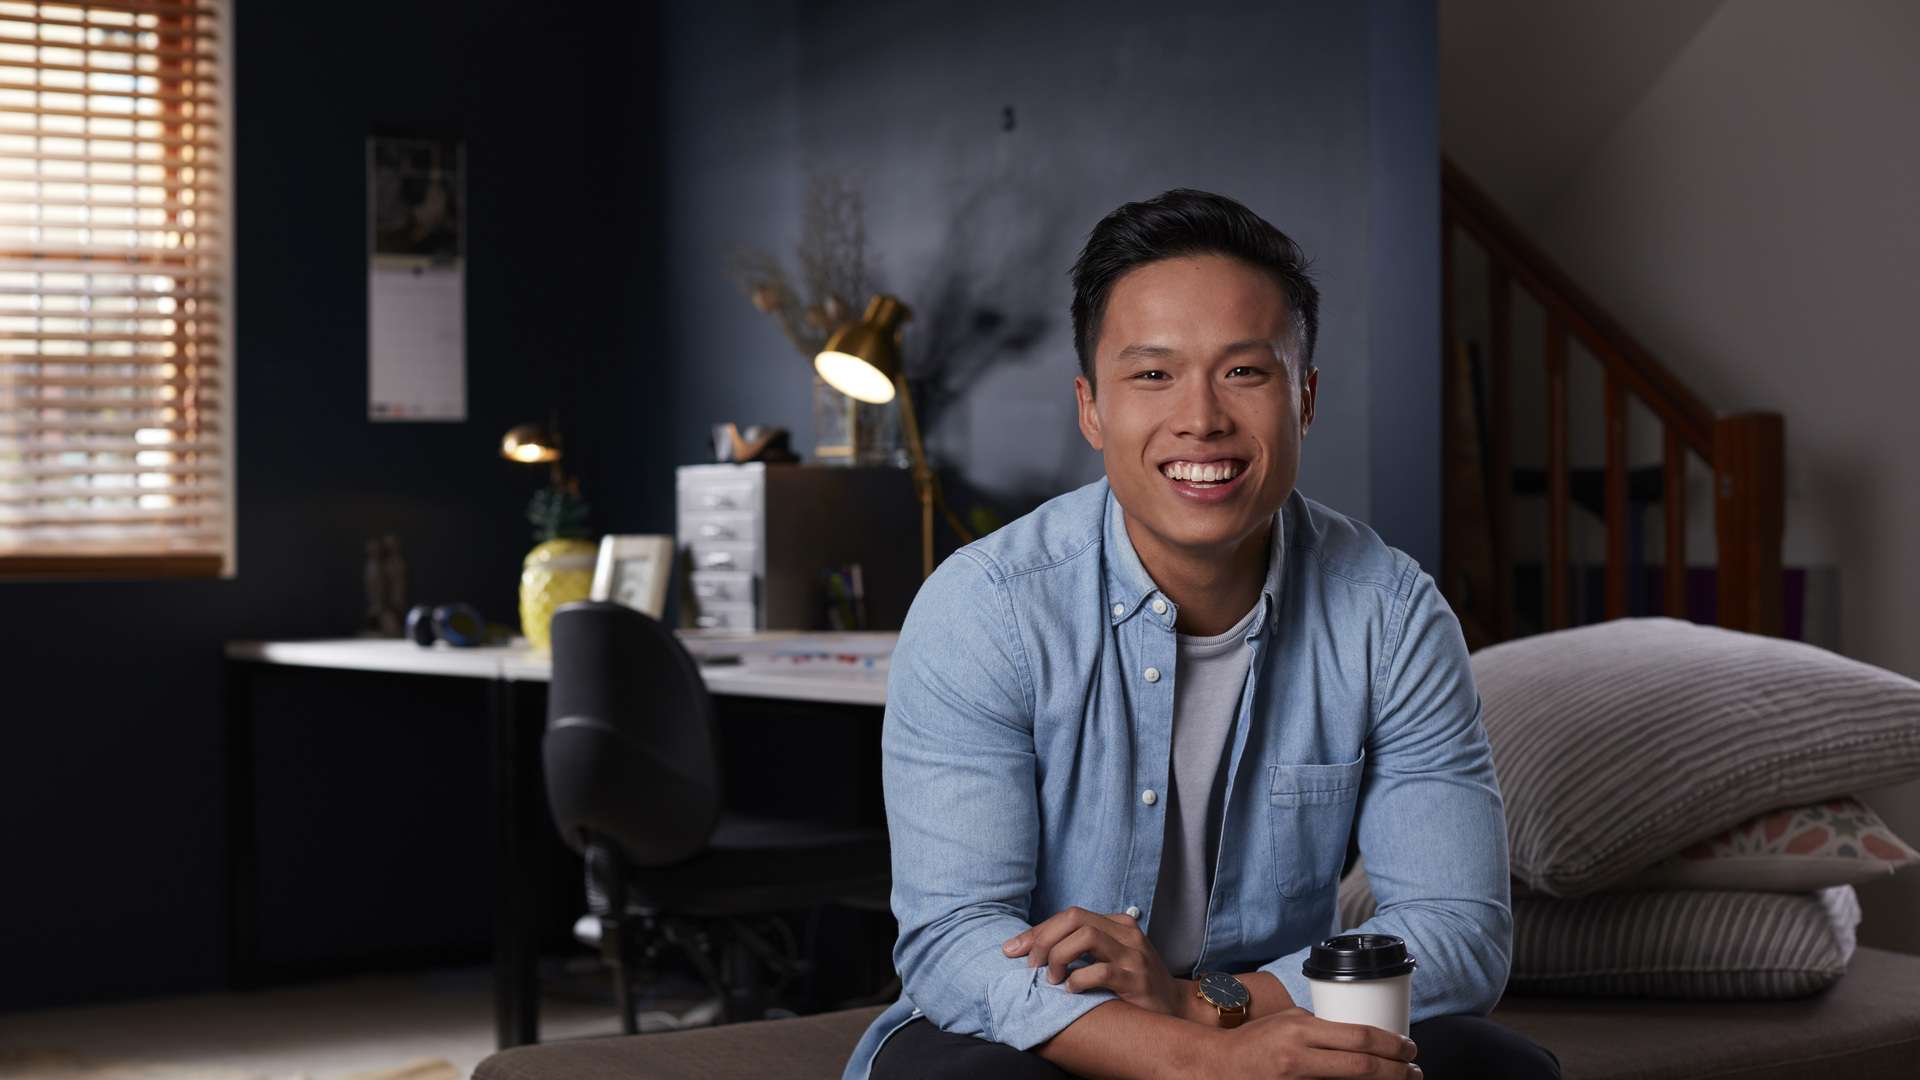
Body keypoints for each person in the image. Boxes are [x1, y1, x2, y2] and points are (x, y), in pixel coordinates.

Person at [845, 189, 1558, 1079]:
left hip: (1272, 1014)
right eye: (1152, 374)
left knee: (1493, 1066)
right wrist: (1194, 1059)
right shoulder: (986, 608)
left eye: (1244, 372)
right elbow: (955, 939)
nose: (1201, 419)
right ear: (1091, 407)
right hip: (1052, 1034)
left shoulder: (1390, 613)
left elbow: (1457, 932)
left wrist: (1210, 1007)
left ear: (1303, 398)